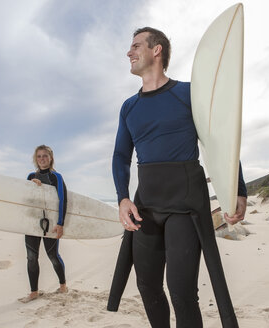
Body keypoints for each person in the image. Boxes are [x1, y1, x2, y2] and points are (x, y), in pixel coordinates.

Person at [107, 27, 247, 327]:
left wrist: (237, 188)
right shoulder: (129, 107)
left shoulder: (188, 93)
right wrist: (122, 197)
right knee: (147, 286)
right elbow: (121, 156)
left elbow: (219, 140)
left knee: (182, 291)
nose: (129, 53)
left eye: (135, 46)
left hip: (185, 203)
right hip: (147, 205)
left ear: (156, 51)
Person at [18, 145, 68, 303]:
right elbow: (26, 200)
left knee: (53, 256)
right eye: (39, 156)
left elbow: (62, 200)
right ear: (35, 159)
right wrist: (33, 187)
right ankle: (34, 292)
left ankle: (63, 285)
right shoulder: (31, 176)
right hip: (33, 223)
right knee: (31, 258)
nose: (42, 159)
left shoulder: (56, 177)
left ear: (51, 158)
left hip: (51, 222)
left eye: (45, 156)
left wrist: (60, 224)